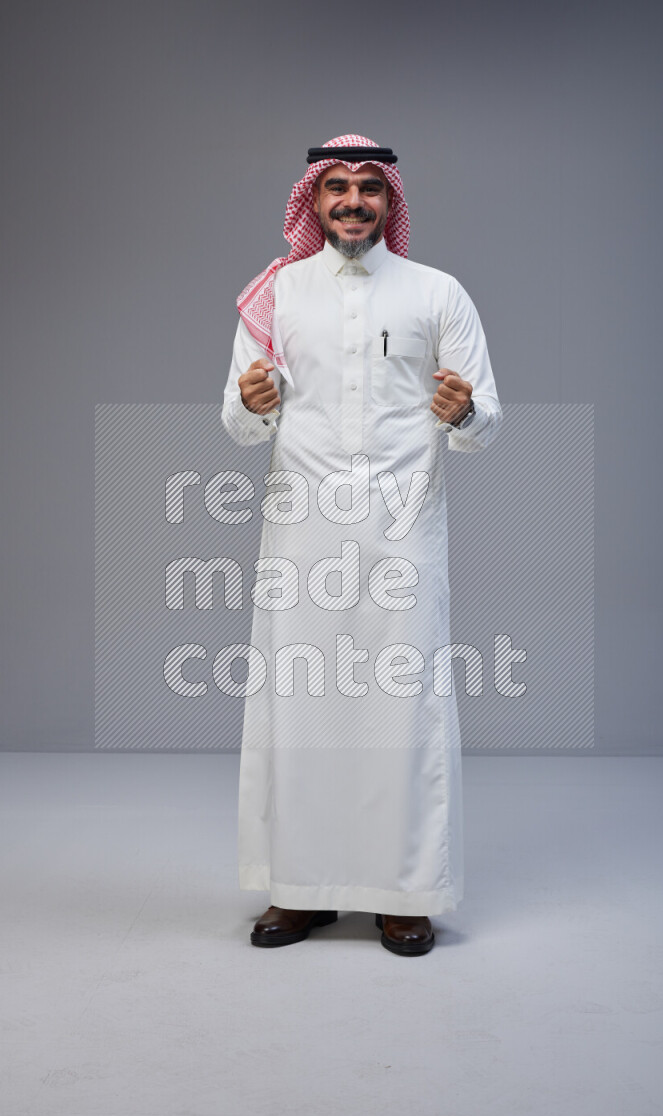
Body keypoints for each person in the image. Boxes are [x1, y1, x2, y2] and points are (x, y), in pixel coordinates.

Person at [221, 135, 502, 956]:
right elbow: (238, 421)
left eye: (369, 187)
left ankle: (403, 893)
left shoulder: (437, 293)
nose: (352, 201)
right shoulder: (276, 294)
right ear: (313, 201)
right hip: (301, 537)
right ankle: (298, 890)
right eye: (337, 187)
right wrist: (252, 401)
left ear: (390, 201)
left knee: (401, 711)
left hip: (401, 535)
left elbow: (486, 420)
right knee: (299, 709)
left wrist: (462, 411)